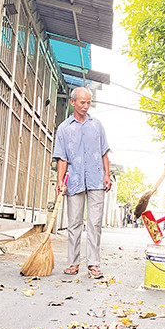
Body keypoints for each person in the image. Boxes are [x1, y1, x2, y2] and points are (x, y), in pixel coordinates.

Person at [54, 87, 112, 279]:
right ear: (72, 102)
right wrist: (59, 182)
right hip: (75, 179)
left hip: (96, 178)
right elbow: (61, 158)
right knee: (74, 224)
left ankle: (94, 265)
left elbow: (104, 151)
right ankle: (72, 263)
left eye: (88, 102)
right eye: (82, 102)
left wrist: (107, 175)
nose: (86, 106)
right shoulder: (64, 129)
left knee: (95, 223)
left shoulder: (97, 125)